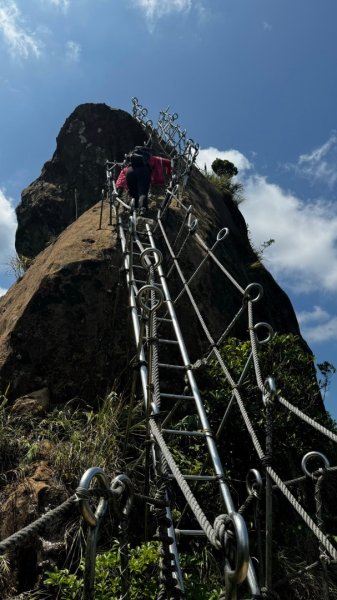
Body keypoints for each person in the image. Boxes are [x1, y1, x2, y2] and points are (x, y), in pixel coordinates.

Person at [116, 147, 172, 216]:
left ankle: (132, 210)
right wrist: (168, 173)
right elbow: (168, 162)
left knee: (133, 193)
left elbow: (123, 173)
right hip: (143, 171)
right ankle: (143, 209)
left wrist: (119, 187)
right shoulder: (153, 158)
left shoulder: (132, 159)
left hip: (130, 171)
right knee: (142, 192)